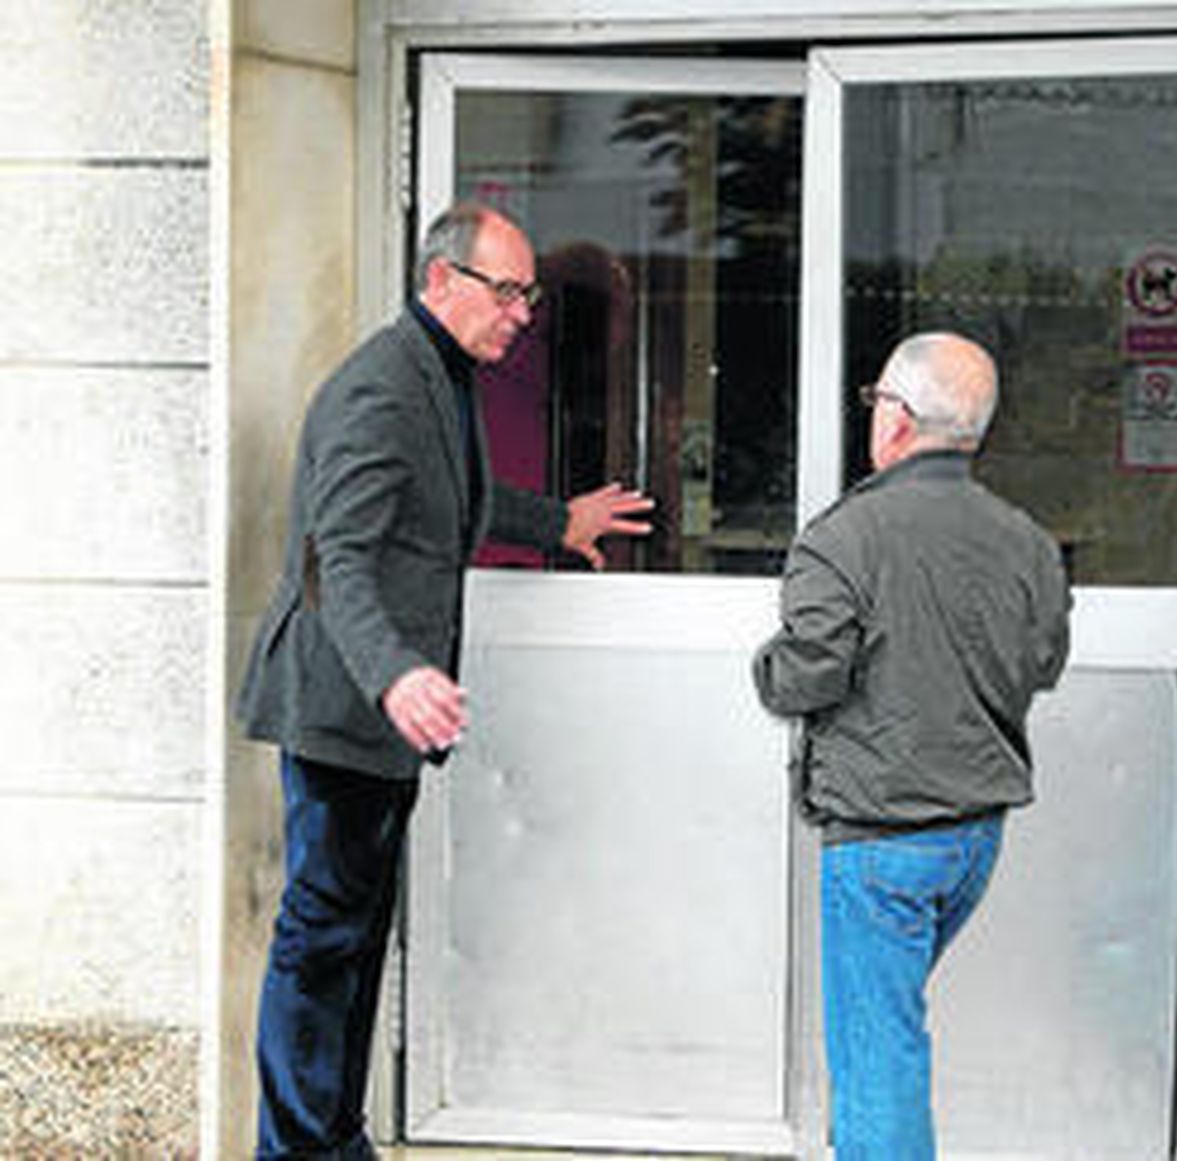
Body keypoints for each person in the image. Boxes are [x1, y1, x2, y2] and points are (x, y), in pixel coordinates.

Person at [234, 202, 654, 1158]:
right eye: (504, 291)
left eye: (528, 295)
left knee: (350, 937)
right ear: (438, 282)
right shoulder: (382, 389)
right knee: (321, 941)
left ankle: (330, 1137)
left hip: (379, 715)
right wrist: (395, 677)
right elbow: (333, 557)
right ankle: (300, 1147)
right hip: (344, 707)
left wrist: (559, 522)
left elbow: (449, 499)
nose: (521, 313)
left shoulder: (440, 373)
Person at [752, 333, 1071, 1160]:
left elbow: (808, 673)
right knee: (883, 1026)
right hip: (975, 835)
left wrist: (766, 667)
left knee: (877, 1051)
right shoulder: (1026, 539)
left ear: (895, 419)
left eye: (875, 403)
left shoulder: (844, 537)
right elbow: (1043, 662)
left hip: (882, 835)